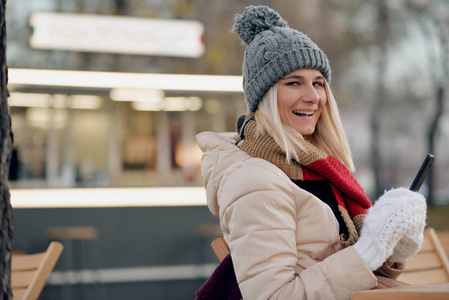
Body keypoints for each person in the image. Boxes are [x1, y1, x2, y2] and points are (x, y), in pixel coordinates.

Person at [196, 5, 427, 300]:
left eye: (318, 83)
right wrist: (368, 250)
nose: (313, 96)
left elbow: (340, 271)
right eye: (294, 82)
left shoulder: (320, 170)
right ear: (264, 96)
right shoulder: (255, 180)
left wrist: (393, 251)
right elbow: (274, 296)